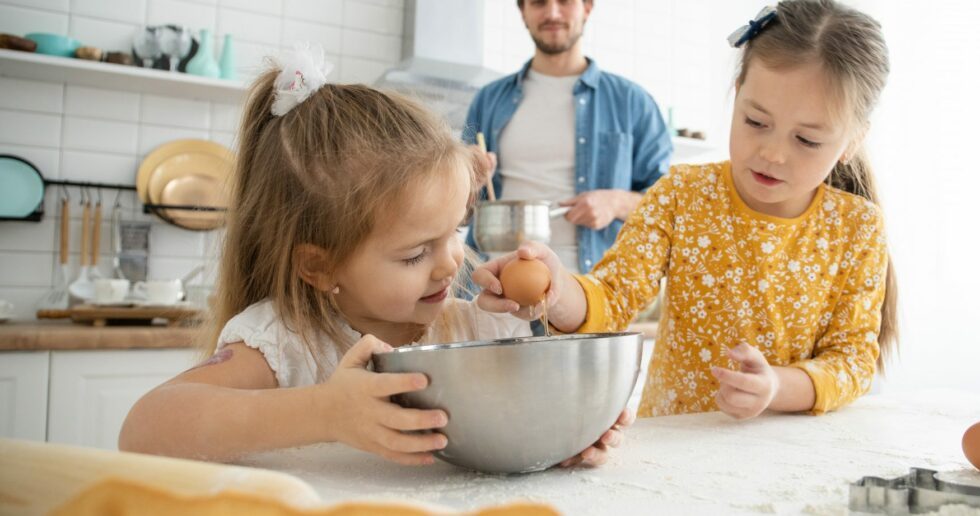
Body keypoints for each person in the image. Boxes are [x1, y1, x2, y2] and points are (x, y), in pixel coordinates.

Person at [119, 44, 630, 466]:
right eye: (414, 254)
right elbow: (145, 428)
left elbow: (520, 427)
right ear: (319, 266)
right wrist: (324, 411)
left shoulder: (475, 332)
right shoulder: (288, 341)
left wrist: (565, 435)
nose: (453, 262)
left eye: (455, 232)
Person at [474, 0, 898, 419]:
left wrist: (776, 388)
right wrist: (556, 288)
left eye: (806, 140)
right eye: (755, 121)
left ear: (853, 140)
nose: (773, 154)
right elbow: (615, 296)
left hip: (789, 454)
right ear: (737, 96)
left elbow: (853, 361)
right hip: (675, 446)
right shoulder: (682, 194)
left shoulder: (857, 226)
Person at [464, 0, 672, 274]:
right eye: (538, 3)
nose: (552, 13)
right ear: (523, 12)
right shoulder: (488, 99)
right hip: (494, 282)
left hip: (591, 290)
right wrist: (469, 178)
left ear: (587, 7)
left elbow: (668, 203)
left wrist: (616, 202)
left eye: (564, 1)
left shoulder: (632, 102)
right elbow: (460, 208)